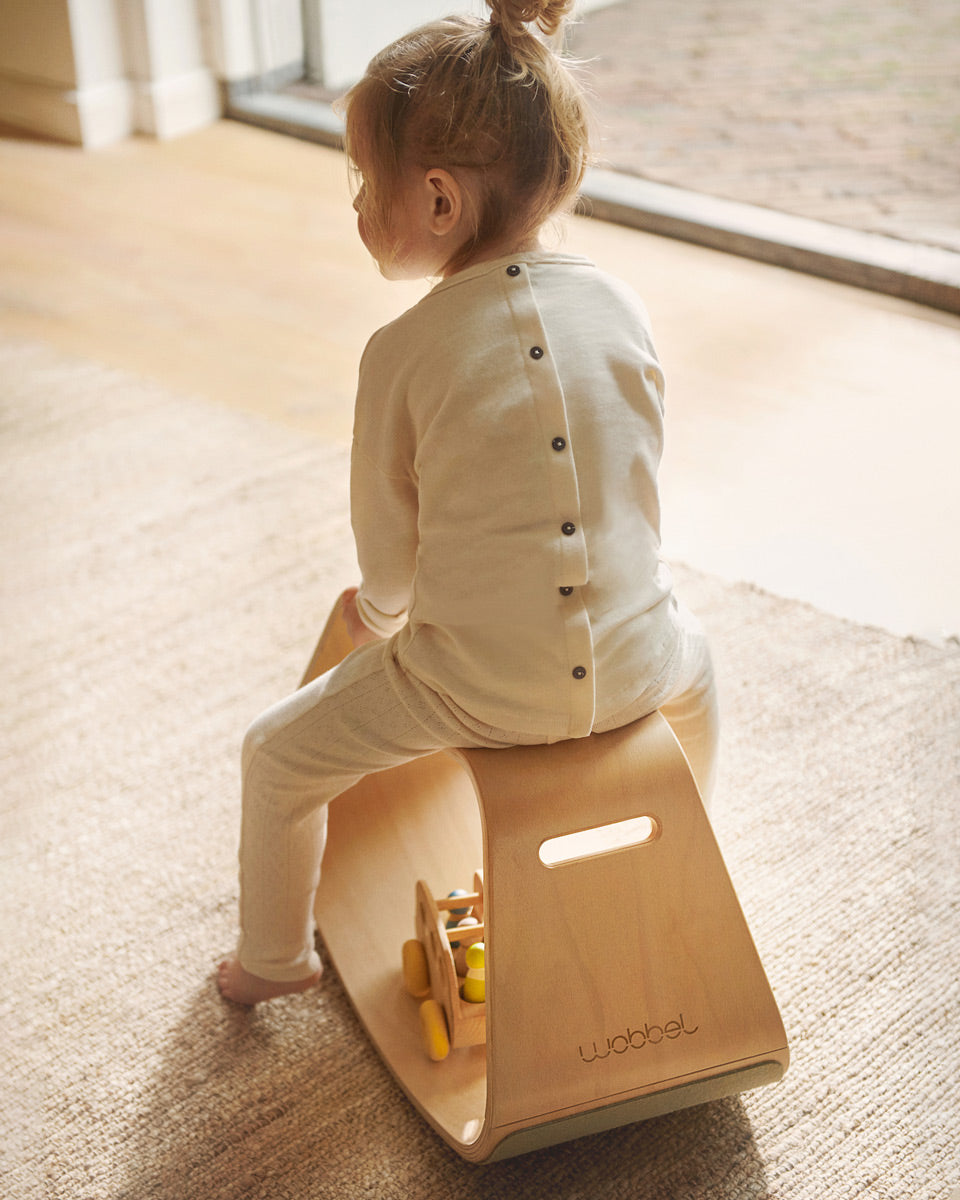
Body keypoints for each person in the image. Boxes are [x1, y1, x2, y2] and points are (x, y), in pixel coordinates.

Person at [218, 0, 719, 1006]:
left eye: (366, 184)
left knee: (275, 756)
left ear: (440, 202)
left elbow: (390, 565)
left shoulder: (400, 355)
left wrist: (384, 620)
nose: (357, 206)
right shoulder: (623, 305)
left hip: (476, 691)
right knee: (700, 669)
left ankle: (272, 964)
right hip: (635, 667)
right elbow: (637, 485)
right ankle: (680, 852)